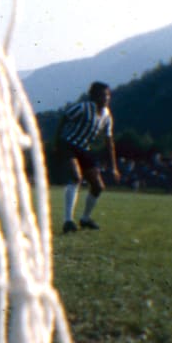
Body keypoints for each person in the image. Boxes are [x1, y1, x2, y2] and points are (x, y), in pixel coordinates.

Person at [56, 82, 119, 233]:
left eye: (108, 95)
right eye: (103, 95)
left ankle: (85, 219)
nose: (106, 98)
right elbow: (65, 117)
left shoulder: (107, 116)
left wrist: (114, 167)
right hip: (69, 144)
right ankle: (68, 221)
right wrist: (57, 142)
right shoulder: (84, 108)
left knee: (98, 186)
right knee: (76, 177)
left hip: (84, 149)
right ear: (94, 96)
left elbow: (109, 142)